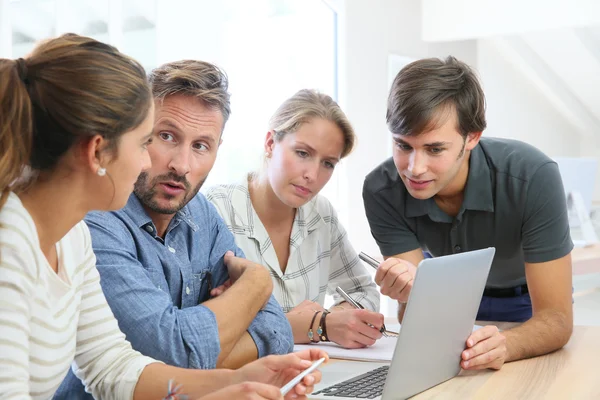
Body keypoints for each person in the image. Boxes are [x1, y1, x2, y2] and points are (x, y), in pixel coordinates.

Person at [0, 33, 324, 400]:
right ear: (97, 152)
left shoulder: (71, 238)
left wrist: (238, 382)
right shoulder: (9, 248)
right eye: (145, 143)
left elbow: (113, 366)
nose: (152, 163)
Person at [56, 60, 295, 398]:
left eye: (200, 146)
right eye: (166, 136)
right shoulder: (95, 218)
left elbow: (277, 331)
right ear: (136, 134)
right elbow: (170, 354)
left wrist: (198, 351)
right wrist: (257, 283)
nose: (181, 166)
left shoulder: (201, 213)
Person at [362, 56, 573, 371]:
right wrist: (407, 293)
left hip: (525, 299)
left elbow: (556, 318)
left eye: (434, 149)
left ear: (472, 137)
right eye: (403, 146)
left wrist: (505, 344)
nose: (413, 169)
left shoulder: (533, 176)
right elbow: (416, 316)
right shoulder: (381, 190)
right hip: (450, 297)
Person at [206, 89, 383, 349]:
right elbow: (203, 325)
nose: (312, 174)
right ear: (270, 143)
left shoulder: (321, 214)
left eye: (328, 164)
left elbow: (363, 292)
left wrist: (331, 320)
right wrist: (311, 327)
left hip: (312, 373)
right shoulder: (214, 211)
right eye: (302, 153)